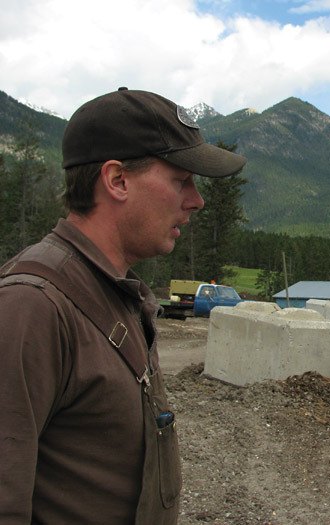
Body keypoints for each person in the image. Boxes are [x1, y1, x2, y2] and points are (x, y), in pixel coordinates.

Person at [0, 88, 246, 523]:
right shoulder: (30, 306)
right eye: (181, 179)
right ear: (117, 181)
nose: (196, 200)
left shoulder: (113, 290)